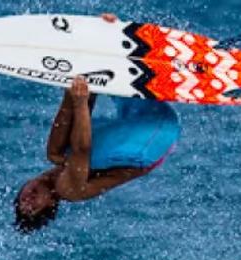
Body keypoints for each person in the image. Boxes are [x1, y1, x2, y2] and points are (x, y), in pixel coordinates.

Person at [14, 16, 180, 233]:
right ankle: (113, 47)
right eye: (33, 208)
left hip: (147, 130)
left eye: (21, 202)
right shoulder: (69, 189)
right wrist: (82, 100)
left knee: (56, 151)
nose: (28, 200)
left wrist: (81, 84)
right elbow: (83, 148)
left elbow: (78, 121)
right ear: (51, 204)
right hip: (153, 137)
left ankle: (98, 56)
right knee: (65, 148)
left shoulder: (58, 159)